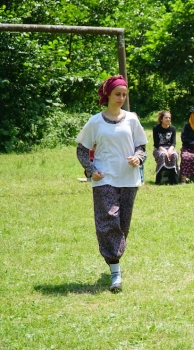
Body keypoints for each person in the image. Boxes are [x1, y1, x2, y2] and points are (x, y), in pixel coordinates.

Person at [75, 75, 147, 293]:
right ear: (107, 94)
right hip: (104, 178)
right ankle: (115, 270)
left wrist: (138, 158)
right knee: (108, 220)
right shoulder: (95, 121)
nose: (121, 98)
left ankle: (115, 261)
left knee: (122, 224)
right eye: (118, 94)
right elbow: (81, 149)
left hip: (129, 179)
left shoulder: (132, 119)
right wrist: (90, 169)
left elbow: (142, 146)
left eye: (124, 95)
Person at [152, 110, 180, 185]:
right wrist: (164, 150)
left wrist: (170, 150)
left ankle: (174, 178)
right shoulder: (156, 128)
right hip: (159, 148)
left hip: (170, 148)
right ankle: (160, 178)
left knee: (174, 155)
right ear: (161, 119)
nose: (168, 119)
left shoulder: (173, 129)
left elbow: (173, 143)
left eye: (169, 118)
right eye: (166, 118)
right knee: (162, 155)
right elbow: (156, 143)